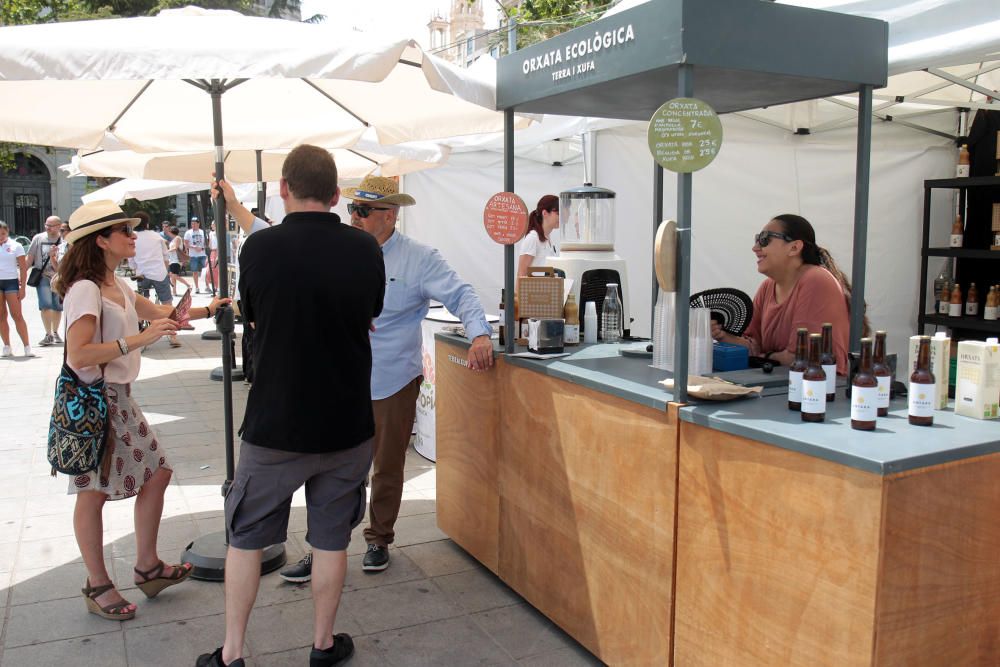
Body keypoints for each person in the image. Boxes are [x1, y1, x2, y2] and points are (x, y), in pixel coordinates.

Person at [197, 145, 384, 667]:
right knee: (329, 541)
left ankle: (232, 653)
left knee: (246, 538)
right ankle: (323, 646)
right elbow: (371, 313)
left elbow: (253, 315)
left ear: (284, 189)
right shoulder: (366, 249)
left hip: (276, 422)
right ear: (337, 194)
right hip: (347, 421)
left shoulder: (260, 249)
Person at [279, 175, 494, 583]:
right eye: (352, 209)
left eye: (363, 211)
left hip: (392, 377)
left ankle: (378, 538)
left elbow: (462, 293)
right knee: (331, 469)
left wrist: (480, 333)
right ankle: (323, 547)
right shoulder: (338, 250)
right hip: (340, 378)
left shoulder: (419, 257)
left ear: (391, 215)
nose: (354, 218)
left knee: (387, 465)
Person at [54, 200, 229, 622]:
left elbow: (162, 314)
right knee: (92, 491)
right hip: (95, 401)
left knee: (158, 472)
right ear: (100, 240)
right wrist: (139, 339)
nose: (134, 236)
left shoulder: (115, 283)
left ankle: (147, 565)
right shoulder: (85, 289)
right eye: (124, 231)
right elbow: (79, 354)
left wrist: (215, 308)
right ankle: (98, 583)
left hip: (119, 399)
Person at [711, 213, 856, 373]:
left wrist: (764, 356)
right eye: (757, 239)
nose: (755, 248)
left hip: (820, 391)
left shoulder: (816, 280)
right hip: (782, 386)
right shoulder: (767, 287)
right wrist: (722, 335)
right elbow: (753, 348)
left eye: (765, 239)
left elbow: (799, 359)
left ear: (794, 247)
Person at [128, 212, 180, 348]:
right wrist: (167, 272)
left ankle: (138, 330)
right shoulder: (157, 237)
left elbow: (131, 262)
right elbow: (166, 257)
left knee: (140, 304)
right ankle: (173, 335)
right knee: (167, 303)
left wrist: (136, 267)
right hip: (159, 273)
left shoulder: (132, 237)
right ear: (147, 224)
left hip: (141, 274)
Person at [26, 215, 65, 346]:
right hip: (42, 276)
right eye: (46, 225)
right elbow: (30, 257)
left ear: (59, 226)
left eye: (51, 225)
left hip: (59, 277)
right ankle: (48, 334)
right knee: (46, 304)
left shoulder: (64, 240)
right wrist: (21, 273)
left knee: (58, 306)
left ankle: (55, 332)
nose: (48, 228)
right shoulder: (38, 238)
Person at [0, 220, 32, 358]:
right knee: (1, 316)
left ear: (7, 232)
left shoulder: (16, 245)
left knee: (17, 315)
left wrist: (23, 288)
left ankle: (27, 346)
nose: (1, 236)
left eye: (3, 233)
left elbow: (23, 268)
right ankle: (6, 346)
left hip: (11, 282)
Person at [516, 194, 560, 277]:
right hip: (533, 289)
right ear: (545, 213)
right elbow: (521, 274)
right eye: (558, 213)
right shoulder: (533, 238)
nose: (561, 217)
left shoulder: (549, 238)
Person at [184, 217, 208, 294]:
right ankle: (197, 287)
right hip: (193, 255)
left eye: (194, 223)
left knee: (206, 271)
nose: (193, 225)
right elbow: (186, 244)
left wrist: (202, 248)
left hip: (202, 254)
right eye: (192, 223)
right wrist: (194, 247)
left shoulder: (202, 232)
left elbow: (207, 243)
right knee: (195, 271)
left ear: (198, 224)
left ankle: (207, 286)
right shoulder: (188, 232)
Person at [166, 226, 192, 297]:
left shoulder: (177, 238)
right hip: (172, 260)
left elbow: (175, 248)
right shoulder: (173, 239)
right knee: (172, 276)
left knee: (174, 275)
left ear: (172, 232)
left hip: (176, 260)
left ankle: (188, 285)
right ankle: (174, 292)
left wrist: (167, 251)